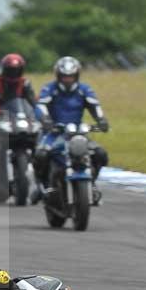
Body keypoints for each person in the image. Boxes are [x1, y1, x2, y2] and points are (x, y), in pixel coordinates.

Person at [32, 56, 109, 205]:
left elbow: (95, 106)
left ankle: (91, 183)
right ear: (58, 75)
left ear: (77, 75)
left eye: (71, 76)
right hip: (54, 132)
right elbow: (40, 106)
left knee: (100, 154)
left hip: (77, 133)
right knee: (41, 155)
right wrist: (46, 120)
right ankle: (42, 187)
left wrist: (101, 120)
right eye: (64, 76)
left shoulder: (84, 90)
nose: (68, 80)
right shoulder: (49, 89)